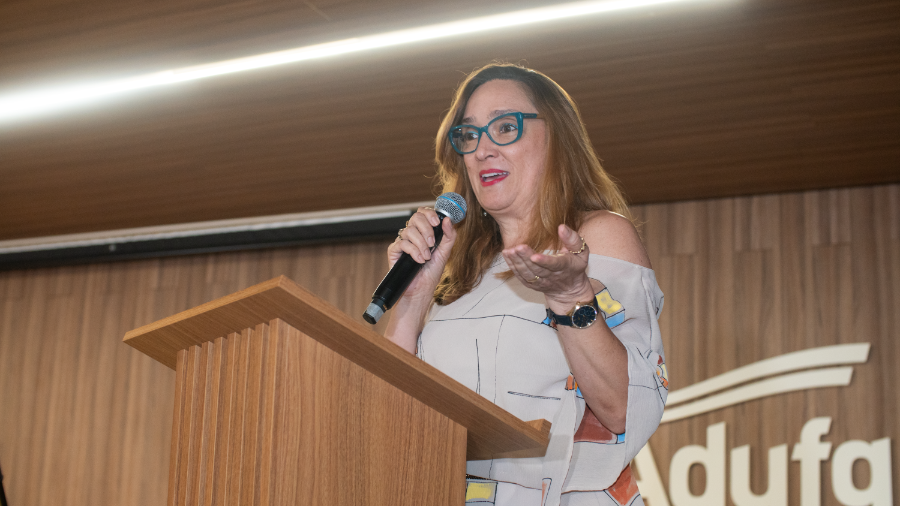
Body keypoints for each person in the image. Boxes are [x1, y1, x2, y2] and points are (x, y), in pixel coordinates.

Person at [384, 63, 668, 506]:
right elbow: (388, 410)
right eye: (469, 135)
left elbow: (625, 409)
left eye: (505, 127)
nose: (482, 150)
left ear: (555, 138)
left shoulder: (596, 237)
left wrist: (570, 298)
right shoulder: (462, 271)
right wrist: (413, 300)